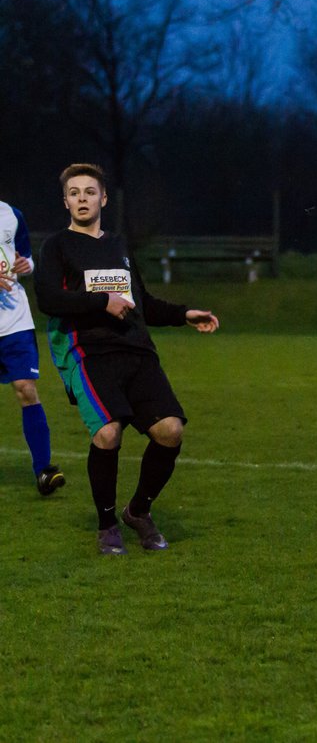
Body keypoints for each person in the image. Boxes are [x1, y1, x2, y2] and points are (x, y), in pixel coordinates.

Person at [35, 163, 220, 555]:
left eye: (89, 191)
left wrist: (185, 314)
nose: (82, 198)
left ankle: (138, 511)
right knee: (107, 433)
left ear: (103, 198)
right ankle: (107, 527)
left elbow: (143, 304)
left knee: (170, 431)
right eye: (74, 193)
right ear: (65, 202)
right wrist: (102, 302)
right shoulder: (57, 246)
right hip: (89, 351)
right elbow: (49, 300)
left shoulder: (118, 245)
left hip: (137, 351)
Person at [0, 198, 62, 496]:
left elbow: (24, 256)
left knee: (26, 388)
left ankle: (44, 471)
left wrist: (28, 264)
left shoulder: (11, 214)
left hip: (14, 319)